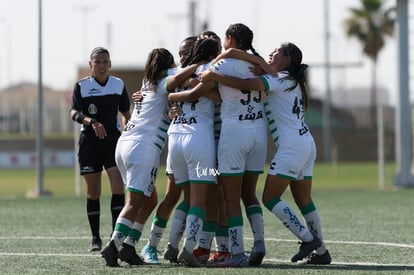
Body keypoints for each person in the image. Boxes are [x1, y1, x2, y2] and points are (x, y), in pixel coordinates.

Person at [200, 42, 332, 265]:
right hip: (306, 143)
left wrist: (216, 76)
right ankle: (322, 252)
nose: (271, 53)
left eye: (276, 52)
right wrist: (264, 67)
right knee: (304, 200)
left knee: (270, 198)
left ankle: (308, 239)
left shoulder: (277, 80)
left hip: (291, 147)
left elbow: (244, 84)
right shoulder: (292, 81)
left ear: (287, 60)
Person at [169, 24, 268, 267]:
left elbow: (200, 86)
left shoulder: (218, 65)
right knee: (241, 195)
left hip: (227, 138)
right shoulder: (257, 62)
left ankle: (229, 252)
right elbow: (220, 91)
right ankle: (255, 244)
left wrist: (171, 96)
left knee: (223, 197)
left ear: (230, 39)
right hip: (256, 134)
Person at [167, 37, 221, 267]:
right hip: (198, 138)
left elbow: (169, 87)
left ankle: (171, 246)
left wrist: (173, 95)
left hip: (175, 137)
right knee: (200, 200)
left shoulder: (179, 72)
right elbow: (217, 96)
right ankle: (188, 249)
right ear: (212, 55)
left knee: (186, 198)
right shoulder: (209, 70)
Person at [70, 47, 131, 252]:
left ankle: (116, 238)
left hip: (113, 142)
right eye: (98, 62)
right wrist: (91, 121)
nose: (102, 66)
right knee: (93, 192)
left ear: (110, 64)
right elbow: (73, 112)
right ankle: (95, 238)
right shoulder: (82, 86)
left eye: (105, 62)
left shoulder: (118, 84)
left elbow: (125, 111)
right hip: (89, 142)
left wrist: (128, 127)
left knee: (117, 187)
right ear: (91, 64)